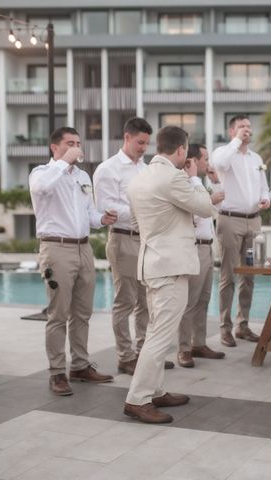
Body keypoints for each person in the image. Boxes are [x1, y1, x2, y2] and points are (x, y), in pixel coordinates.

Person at [123, 126, 213, 424]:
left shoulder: (140, 178)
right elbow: (205, 207)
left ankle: (156, 390)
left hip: (152, 263)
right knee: (160, 336)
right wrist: (195, 178)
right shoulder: (174, 176)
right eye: (186, 152)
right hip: (171, 266)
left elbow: (136, 222)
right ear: (181, 151)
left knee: (156, 331)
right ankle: (138, 399)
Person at [29, 127, 117, 396]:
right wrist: (65, 162)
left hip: (83, 248)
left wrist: (101, 219)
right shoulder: (42, 173)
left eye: (78, 143)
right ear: (54, 148)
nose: (76, 147)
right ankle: (57, 372)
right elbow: (42, 188)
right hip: (57, 248)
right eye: (69, 143)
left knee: (82, 312)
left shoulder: (82, 176)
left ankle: (79, 365)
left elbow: (88, 212)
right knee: (58, 314)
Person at [93, 117, 173, 374]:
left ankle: (143, 354)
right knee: (125, 301)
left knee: (146, 302)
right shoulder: (108, 169)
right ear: (126, 137)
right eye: (140, 142)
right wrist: (144, 211)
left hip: (146, 240)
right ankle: (125, 356)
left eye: (147, 143)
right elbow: (105, 206)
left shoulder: (145, 168)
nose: (143, 148)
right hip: (123, 239)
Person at [212, 115, 270, 347]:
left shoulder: (256, 158)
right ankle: (224, 327)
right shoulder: (223, 152)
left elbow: (264, 187)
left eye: (248, 126)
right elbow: (221, 165)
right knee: (228, 275)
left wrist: (265, 199)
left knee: (249, 275)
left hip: (254, 221)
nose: (246, 129)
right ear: (231, 132)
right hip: (230, 220)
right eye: (241, 127)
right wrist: (236, 142)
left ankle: (242, 324)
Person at [177, 144, 226, 368]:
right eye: (205, 159)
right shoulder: (184, 184)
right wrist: (209, 198)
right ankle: (184, 348)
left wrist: (216, 182)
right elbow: (198, 209)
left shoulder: (200, 184)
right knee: (190, 301)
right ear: (193, 162)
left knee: (204, 299)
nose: (209, 163)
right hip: (193, 246)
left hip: (206, 247)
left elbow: (219, 204)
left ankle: (199, 343)